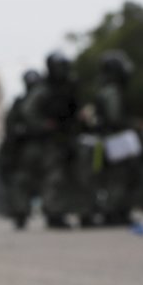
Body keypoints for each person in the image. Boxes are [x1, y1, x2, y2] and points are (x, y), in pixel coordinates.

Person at [22, 52, 84, 229]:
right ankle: (54, 213)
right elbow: (28, 111)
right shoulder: (44, 89)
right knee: (54, 177)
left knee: (74, 175)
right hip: (52, 140)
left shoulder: (69, 86)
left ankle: (78, 210)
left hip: (69, 135)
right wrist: (44, 125)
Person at [89, 50, 138, 226]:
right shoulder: (112, 91)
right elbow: (115, 117)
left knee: (115, 177)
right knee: (119, 177)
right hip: (115, 140)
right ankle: (114, 212)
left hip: (109, 139)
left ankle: (115, 211)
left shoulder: (104, 89)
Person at [0, 69, 43, 229]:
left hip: (45, 145)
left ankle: (53, 211)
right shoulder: (20, 103)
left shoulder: (45, 99)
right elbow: (10, 127)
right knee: (22, 181)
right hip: (24, 147)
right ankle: (20, 212)